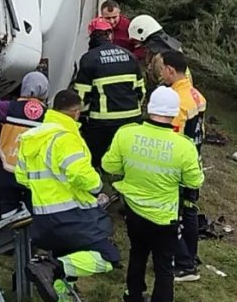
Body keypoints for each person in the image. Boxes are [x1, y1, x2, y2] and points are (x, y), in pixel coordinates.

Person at [19, 89, 122, 302]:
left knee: (68, 254)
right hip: (72, 214)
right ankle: (51, 267)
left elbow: (21, 176)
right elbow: (79, 173)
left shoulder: (33, 137)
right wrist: (97, 186)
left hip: (42, 216)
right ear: (76, 113)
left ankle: (62, 292)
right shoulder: (66, 138)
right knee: (107, 257)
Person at [102, 86, 204, 302]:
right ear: (175, 113)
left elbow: (109, 165)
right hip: (164, 218)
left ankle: (133, 295)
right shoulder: (184, 147)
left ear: (148, 108)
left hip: (133, 212)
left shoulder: (126, 133)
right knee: (164, 266)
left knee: (137, 253)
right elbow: (194, 181)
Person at [156, 50, 207, 282]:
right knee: (189, 211)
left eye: (161, 69)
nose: (160, 74)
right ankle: (191, 257)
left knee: (173, 216)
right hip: (194, 162)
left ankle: (184, 265)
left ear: (170, 69)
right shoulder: (196, 95)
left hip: (178, 167)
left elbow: (172, 139)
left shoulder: (177, 102)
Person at [73, 17, 146, 169]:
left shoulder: (89, 59)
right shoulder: (130, 56)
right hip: (132, 119)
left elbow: (81, 97)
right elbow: (141, 91)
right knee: (130, 160)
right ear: (110, 35)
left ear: (91, 36)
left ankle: (97, 183)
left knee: (93, 160)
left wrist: (83, 118)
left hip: (102, 122)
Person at [0, 67, 50, 217]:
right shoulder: (49, 116)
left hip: (8, 170)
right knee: (35, 211)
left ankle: (11, 235)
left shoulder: (9, 108)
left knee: (9, 210)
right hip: (33, 173)